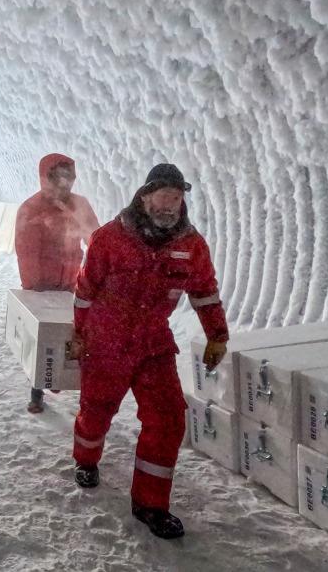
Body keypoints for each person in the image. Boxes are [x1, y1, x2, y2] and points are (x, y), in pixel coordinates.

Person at [67, 163, 229, 539]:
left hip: (153, 343)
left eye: (176, 197)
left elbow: (205, 292)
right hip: (106, 341)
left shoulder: (191, 246)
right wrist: (79, 334)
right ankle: (86, 459)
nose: (169, 204)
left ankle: (150, 504)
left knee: (169, 418)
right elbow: (86, 289)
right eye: (163, 196)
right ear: (144, 196)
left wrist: (217, 335)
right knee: (97, 410)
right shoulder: (110, 238)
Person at [14, 153, 100, 414]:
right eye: (58, 176)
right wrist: (34, 288)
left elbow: (95, 240)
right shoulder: (31, 209)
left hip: (72, 283)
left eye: (68, 176)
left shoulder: (80, 206)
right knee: (43, 338)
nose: (65, 183)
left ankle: (66, 382)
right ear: (46, 177)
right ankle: (37, 390)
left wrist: (99, 272)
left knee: (73, 336)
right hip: (42, 286)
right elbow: (27, 252)